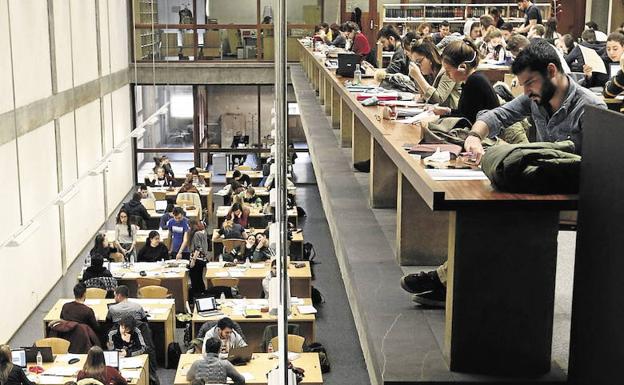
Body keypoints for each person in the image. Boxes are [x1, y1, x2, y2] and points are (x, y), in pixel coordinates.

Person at [403, 40, 606, 307]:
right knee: (482, 208)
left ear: (552, 70)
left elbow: (597, 167)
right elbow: (498, 115)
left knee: (495, 213)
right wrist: (474, 136)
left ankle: (452, 281)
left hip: (572, 192)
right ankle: (455, 280)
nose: (526, 90)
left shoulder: (590, 108)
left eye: (530, 82)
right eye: (522, 84)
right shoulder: (536, 96)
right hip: (539, 180)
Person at [430, 39, 500, 125]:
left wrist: (438, 118)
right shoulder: (473, 79)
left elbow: (467, 120)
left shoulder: (474, 82)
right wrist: (447, 111)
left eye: (448, 71)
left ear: (462, 67)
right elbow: (467, 112)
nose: (447, 75)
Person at [408, 38, 460, 108]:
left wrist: (418, 77)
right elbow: (424, 96)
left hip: (453, 114)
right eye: (415, 63)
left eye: (419, 62)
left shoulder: (447, 69)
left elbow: (438, 99)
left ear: (430, 56)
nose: (418, 66)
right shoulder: (429, 73)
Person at [189, 218, 209, 297]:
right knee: (199, 278)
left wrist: (193, 260)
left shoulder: (196, 234)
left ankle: (196, 294)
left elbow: (198, 248)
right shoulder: (203, 232)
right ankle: (201, 293)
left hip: (197, 258)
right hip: (202, 258)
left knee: (194, 278)